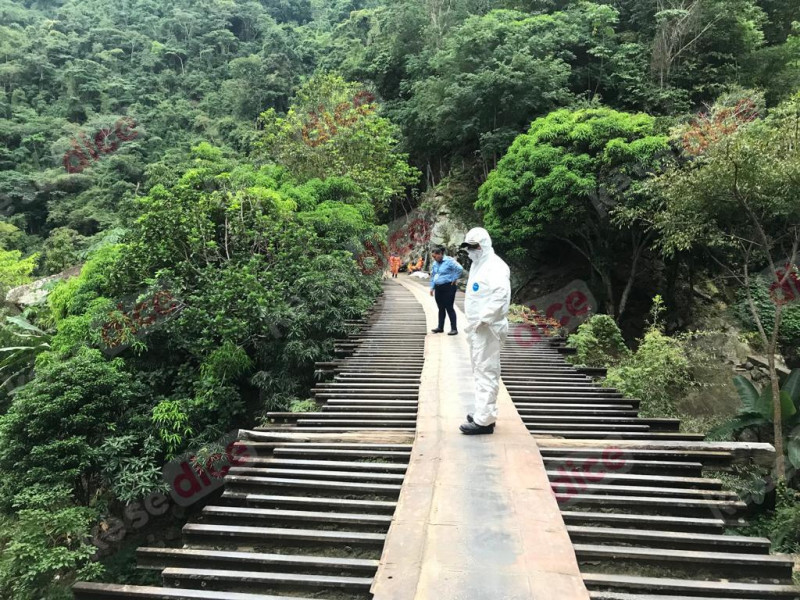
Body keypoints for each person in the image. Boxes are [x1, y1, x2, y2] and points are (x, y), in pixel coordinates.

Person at [459, 227, 511, 435]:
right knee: (479, 370)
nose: (471, 251)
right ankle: (483, 411)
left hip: (488, 328)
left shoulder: (495, 266)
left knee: (486, 371)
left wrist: (485, 318)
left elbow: (501, 296)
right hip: (478, 329)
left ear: (484, 245)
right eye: (469, 247)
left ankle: (485, 420)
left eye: (475, 247)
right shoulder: (478, 265)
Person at [429, 246, 463, 335]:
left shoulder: (449, 261)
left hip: (448, 287)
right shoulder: (435, 263)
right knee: (440, 308)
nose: (434, 258)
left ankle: (454, 328)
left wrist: (455, 278)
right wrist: (432, 287)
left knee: (449, 307)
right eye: (433, 257)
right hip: (438, 287)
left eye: (435, 256)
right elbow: (433, 275)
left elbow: (460, 269)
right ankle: (440, 327)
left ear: (440, 254)